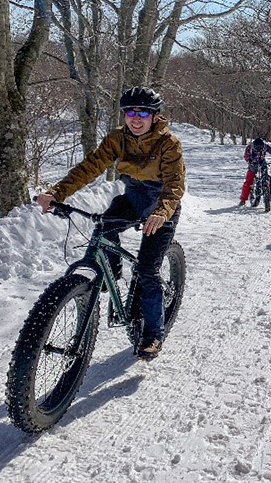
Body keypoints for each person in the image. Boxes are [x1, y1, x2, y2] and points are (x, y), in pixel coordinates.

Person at [36, 86, 185, 361]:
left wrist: (162, 213)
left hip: (161, 203)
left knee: (147, 270)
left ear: (155, 116)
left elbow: (174, 186)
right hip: (133, 197)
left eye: (143, 113)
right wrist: (56, 194)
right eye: (130, 112)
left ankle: (153, 333)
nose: (136, 118)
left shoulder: (168, 143)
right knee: (103, 227)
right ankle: (111, 269)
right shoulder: (118, 138)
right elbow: (90, 167)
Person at [239, 137, 271, 206]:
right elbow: (246, 155)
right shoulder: (249, 147)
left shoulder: (265, 147)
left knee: (267, 178)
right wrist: (250, 161)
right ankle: (243, 199)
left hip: (262, 163)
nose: (258, 150)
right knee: (248, 181)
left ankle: (268, 195)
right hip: (253, 165)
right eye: (256, 149)